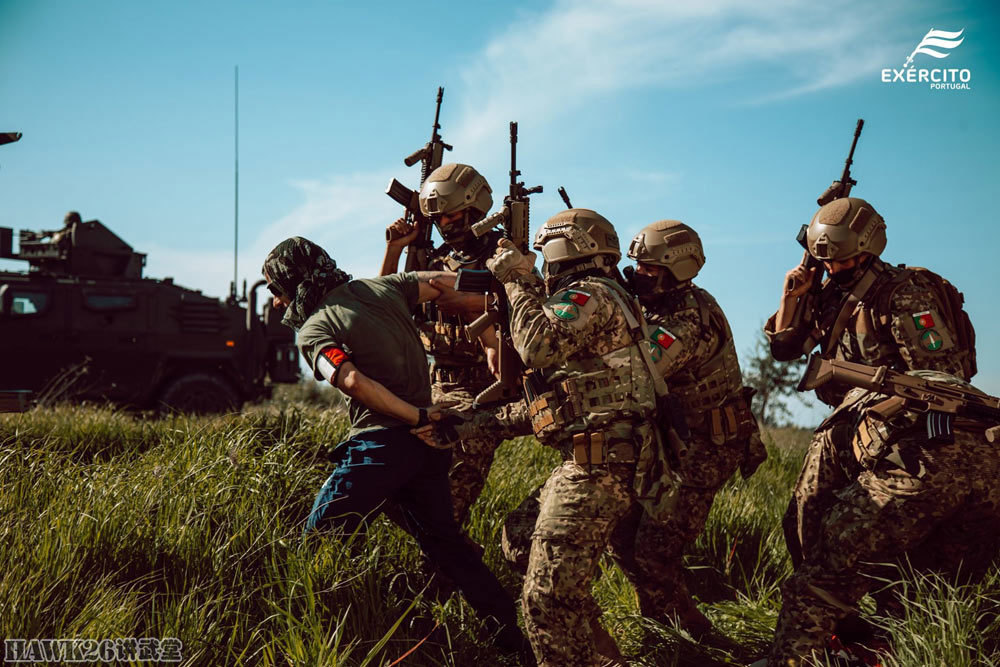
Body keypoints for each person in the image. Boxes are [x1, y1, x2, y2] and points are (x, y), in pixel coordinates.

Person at [261, 236, 529, 657]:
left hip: (380, 446)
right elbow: (444, 283)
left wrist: (415, 417)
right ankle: (511, 641)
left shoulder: (314, 329)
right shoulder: (384, 287)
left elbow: (352, 381)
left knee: (316, 541)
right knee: (449, 546)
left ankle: (308, 639)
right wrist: (517, 279)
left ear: (293, 283)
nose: (277, 303)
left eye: (277, 291)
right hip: (427, 447)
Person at [480, 208, 680, 666]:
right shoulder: (606, 296)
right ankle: (602, 656)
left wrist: (515, 279)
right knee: (518, 536)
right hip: (595, 457)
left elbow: (538, 345)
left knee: (545, 600)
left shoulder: (590, 294)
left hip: (603, 462)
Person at [764, 196, 976, 569]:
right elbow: (785, 349)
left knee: (873, 534)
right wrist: (791, 295)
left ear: (867, 250)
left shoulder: (903, 292)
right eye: (826, 260)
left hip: (899, 432)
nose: (833, 268)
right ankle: (839, 618)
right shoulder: (829, 294)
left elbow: (941, 379)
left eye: (841, 260)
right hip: (849, 427)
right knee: (805, 518)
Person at [761, 369, 1000, 667]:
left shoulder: (847, 408)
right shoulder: (950, 386)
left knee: (817, 588)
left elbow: (807, 505)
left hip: (918, 466)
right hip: (994, 472)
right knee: (942, 595)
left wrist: (822, 579)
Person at [618, 219, 766, 637]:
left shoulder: (690, 317)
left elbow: (643, 368)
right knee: (624, 538)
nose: (639, 275)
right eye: (637, 267)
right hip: (675, 443)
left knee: (653, 551)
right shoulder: (655, 307)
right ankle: (665, 629)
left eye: (649, 268)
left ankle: (690, 643)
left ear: (677, 268)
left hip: (708, 445)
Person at [379, 162, 532, 526]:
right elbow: (382, 303)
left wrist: (475, 305)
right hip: (431, 385)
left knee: (444, 502)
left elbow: (533, 309)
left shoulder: (505, 256)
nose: (447, 227)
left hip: (485, 389)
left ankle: (445, 569)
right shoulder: (432, 259)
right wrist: (395, 250)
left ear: (477, 210)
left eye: (455, 217)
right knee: (388, 479)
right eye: (440, 220)